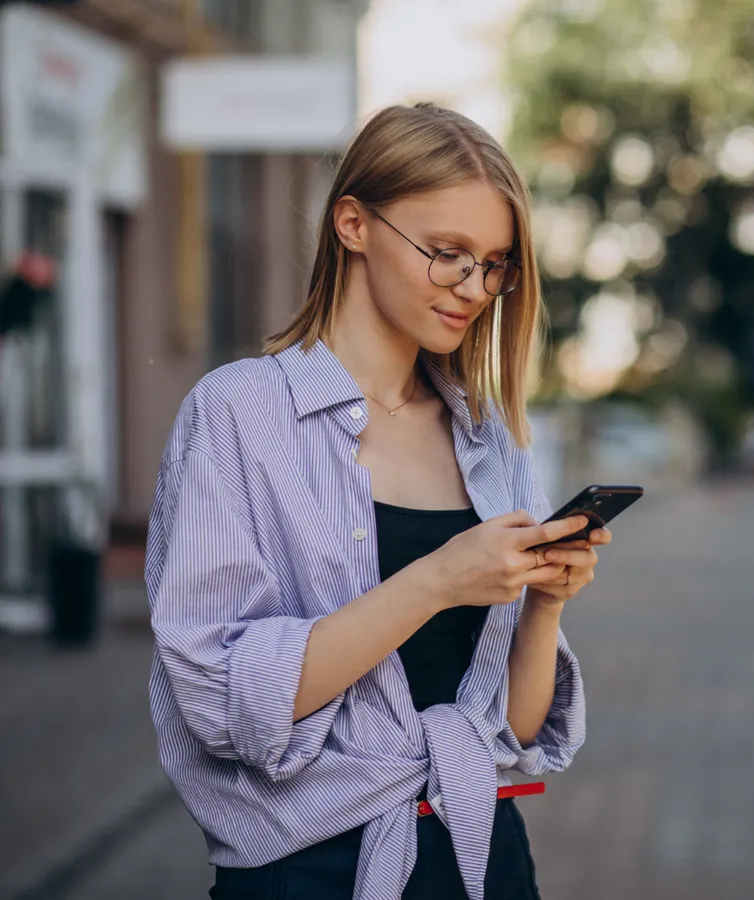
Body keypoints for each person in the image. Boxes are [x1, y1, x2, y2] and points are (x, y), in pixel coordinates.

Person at [146, 103, 607, 900]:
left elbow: (517, 731)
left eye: (495, 264)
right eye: (448, 253)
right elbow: (224, 705)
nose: (474, 288)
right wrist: (437, 581)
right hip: (306, 869)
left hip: (482, 855)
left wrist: (544, 606)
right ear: (353, 224)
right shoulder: (238, 414)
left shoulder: (488, 435)